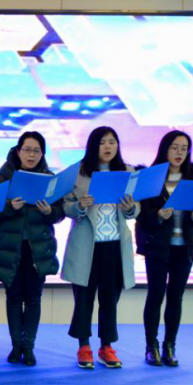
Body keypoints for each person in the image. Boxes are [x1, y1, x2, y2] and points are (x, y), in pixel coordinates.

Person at [0, 131, 65, 367]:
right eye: (27, 149)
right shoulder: (3, 178)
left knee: (34, 299)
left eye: (36, 150)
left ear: (42, 154)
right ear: (18, 151)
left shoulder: (49, 180)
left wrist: (50, 212)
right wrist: (10, 206)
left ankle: (28, 347)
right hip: (10, 249)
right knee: (13, 297)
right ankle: (16, 345)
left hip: (37, 249)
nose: (31, 155)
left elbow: (60, 213)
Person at [62, 126, 140, 370]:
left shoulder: (127, 172)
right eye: (103, 142)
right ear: (93, 145)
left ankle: (107, 347)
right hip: (87, 246)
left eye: (112, 142)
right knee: (83, 299)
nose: (108, 146)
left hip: (115, 245)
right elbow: (66, 206)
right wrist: (79, 206)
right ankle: (83, 346)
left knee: (110, 300)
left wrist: (130, 207)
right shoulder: (78, 172)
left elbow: (136, 208)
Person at [136, 130, 193, 367]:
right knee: (155, 296)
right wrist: (158, 215)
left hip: (185, 247)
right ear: (164, 149)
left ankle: (169, 346)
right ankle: (151, 347)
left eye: (184, 148)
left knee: (175, 298)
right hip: (157, 247)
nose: (179, 152)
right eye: (175, 147)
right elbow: (141, 216)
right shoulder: (151, 177)